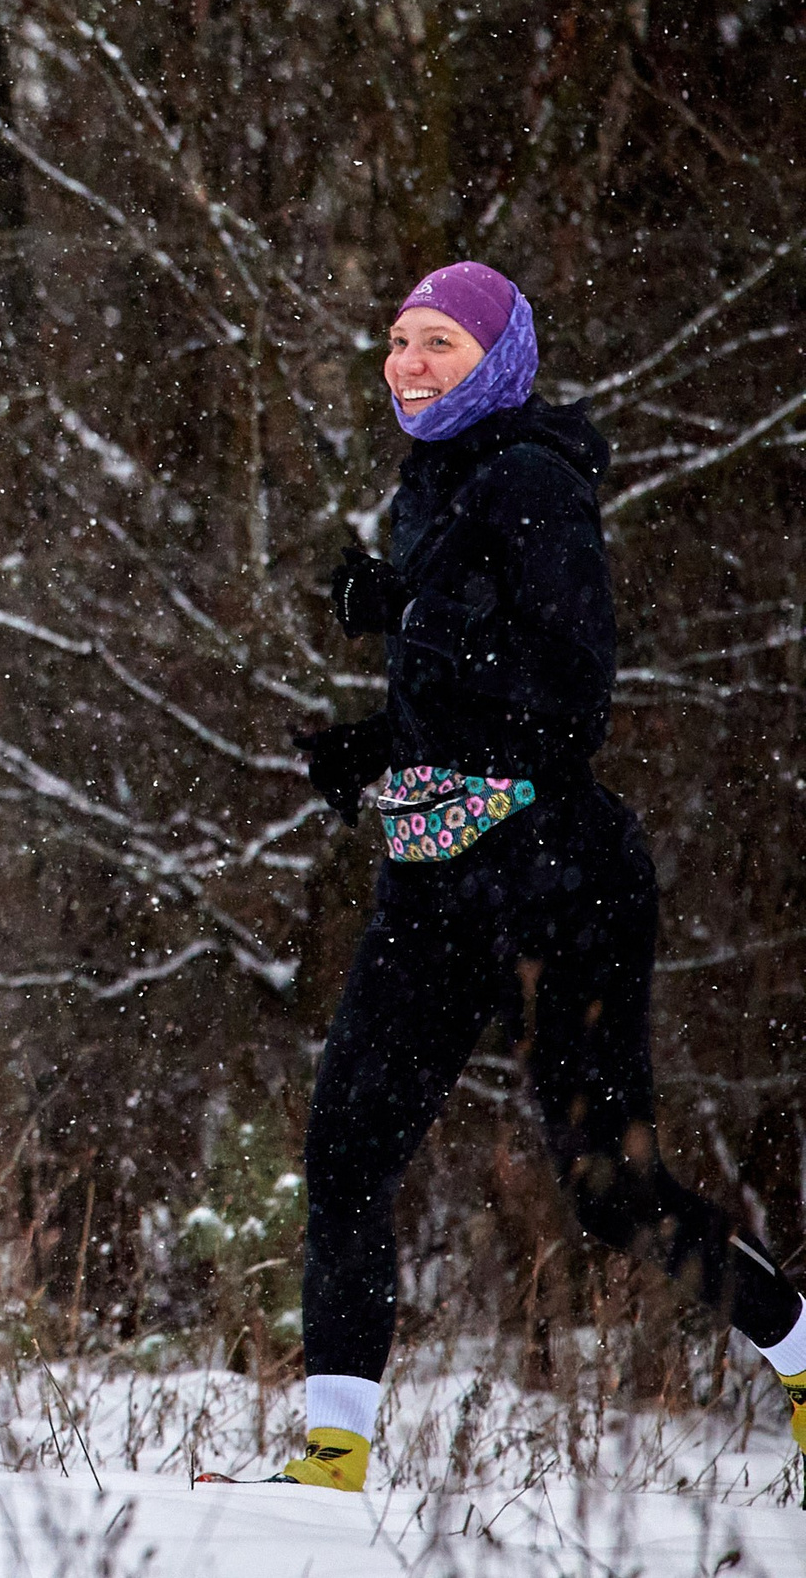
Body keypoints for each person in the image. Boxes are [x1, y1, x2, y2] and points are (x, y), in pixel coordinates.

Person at [203, 261, 806, 1491]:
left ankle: (801, 1347)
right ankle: (331, 1455)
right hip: (439, 872)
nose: (407, 364)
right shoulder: (434, 484)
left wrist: (411, 615)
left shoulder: (530, 479)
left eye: (439, 344)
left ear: (500, 362)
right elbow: (476, 697)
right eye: (398, 340)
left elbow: (569, 694)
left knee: (609, 1192)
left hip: (553, 880)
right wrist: (382, 746)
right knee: (348, 1151)